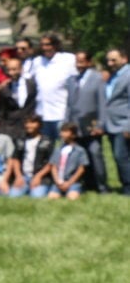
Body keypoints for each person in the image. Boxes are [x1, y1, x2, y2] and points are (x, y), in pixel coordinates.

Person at [65, 49, 108, 193]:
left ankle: (102, 186)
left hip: (92, 125)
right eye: (77, 62)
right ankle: (87, 184)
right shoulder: (71, 80)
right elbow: (69, 105)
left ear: (89, 62)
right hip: (75, 126)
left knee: (95, 154)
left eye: (82, 62)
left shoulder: (98, 79)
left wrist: (101, 124)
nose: (79, 65)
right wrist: (66, 124)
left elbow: (102, 103)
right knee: (81, 157)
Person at [30, 32, 76, 141]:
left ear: (55, 45)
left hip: (61, 113)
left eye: (48, 44)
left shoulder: (68, 59)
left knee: (63, 147)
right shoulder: (37, 62)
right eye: (42, 45)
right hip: (42, 114)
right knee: (46, 148)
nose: (44, 48)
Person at [6, 115, 53, 198]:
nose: (29, 125)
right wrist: (18, 176)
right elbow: (15, 159)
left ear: (39, 124)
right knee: (12, 197)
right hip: (23, 176)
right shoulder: (20, 140)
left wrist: (38, 176)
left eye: (32, 123)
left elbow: (51, 163)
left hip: (41, 177)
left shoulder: (47, 141)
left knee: (36, 197)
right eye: (27, 123)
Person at [104, 47, 130, 194]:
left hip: (123, 124)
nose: (110, 62)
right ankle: (124, 186)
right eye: (108, 60)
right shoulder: (114, 76)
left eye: (114, 59)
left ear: (124, 59)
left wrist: (128, 126)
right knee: (118, 157)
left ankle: (128, 189)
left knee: (122, 157)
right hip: (111, 124)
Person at [0, 56, 37, 140]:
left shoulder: (32, 85)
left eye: (14, 69)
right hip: (10, 129)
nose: (11, 73)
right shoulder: (4, 88)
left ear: (21, 69)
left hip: (29, 127)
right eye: (9, 70)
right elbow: (2, 111)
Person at [47, 122, 88, 200]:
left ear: (73, 135)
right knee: (52, 198)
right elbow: (53, 166)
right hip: (58, 182)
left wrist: (69, 182)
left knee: (72, 197)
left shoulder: (80, 150)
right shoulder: (58, 150)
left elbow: (81, 168)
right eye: (62, 131)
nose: (62, 134)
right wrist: (57, 181)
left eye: (66, 132)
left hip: (73, 182)